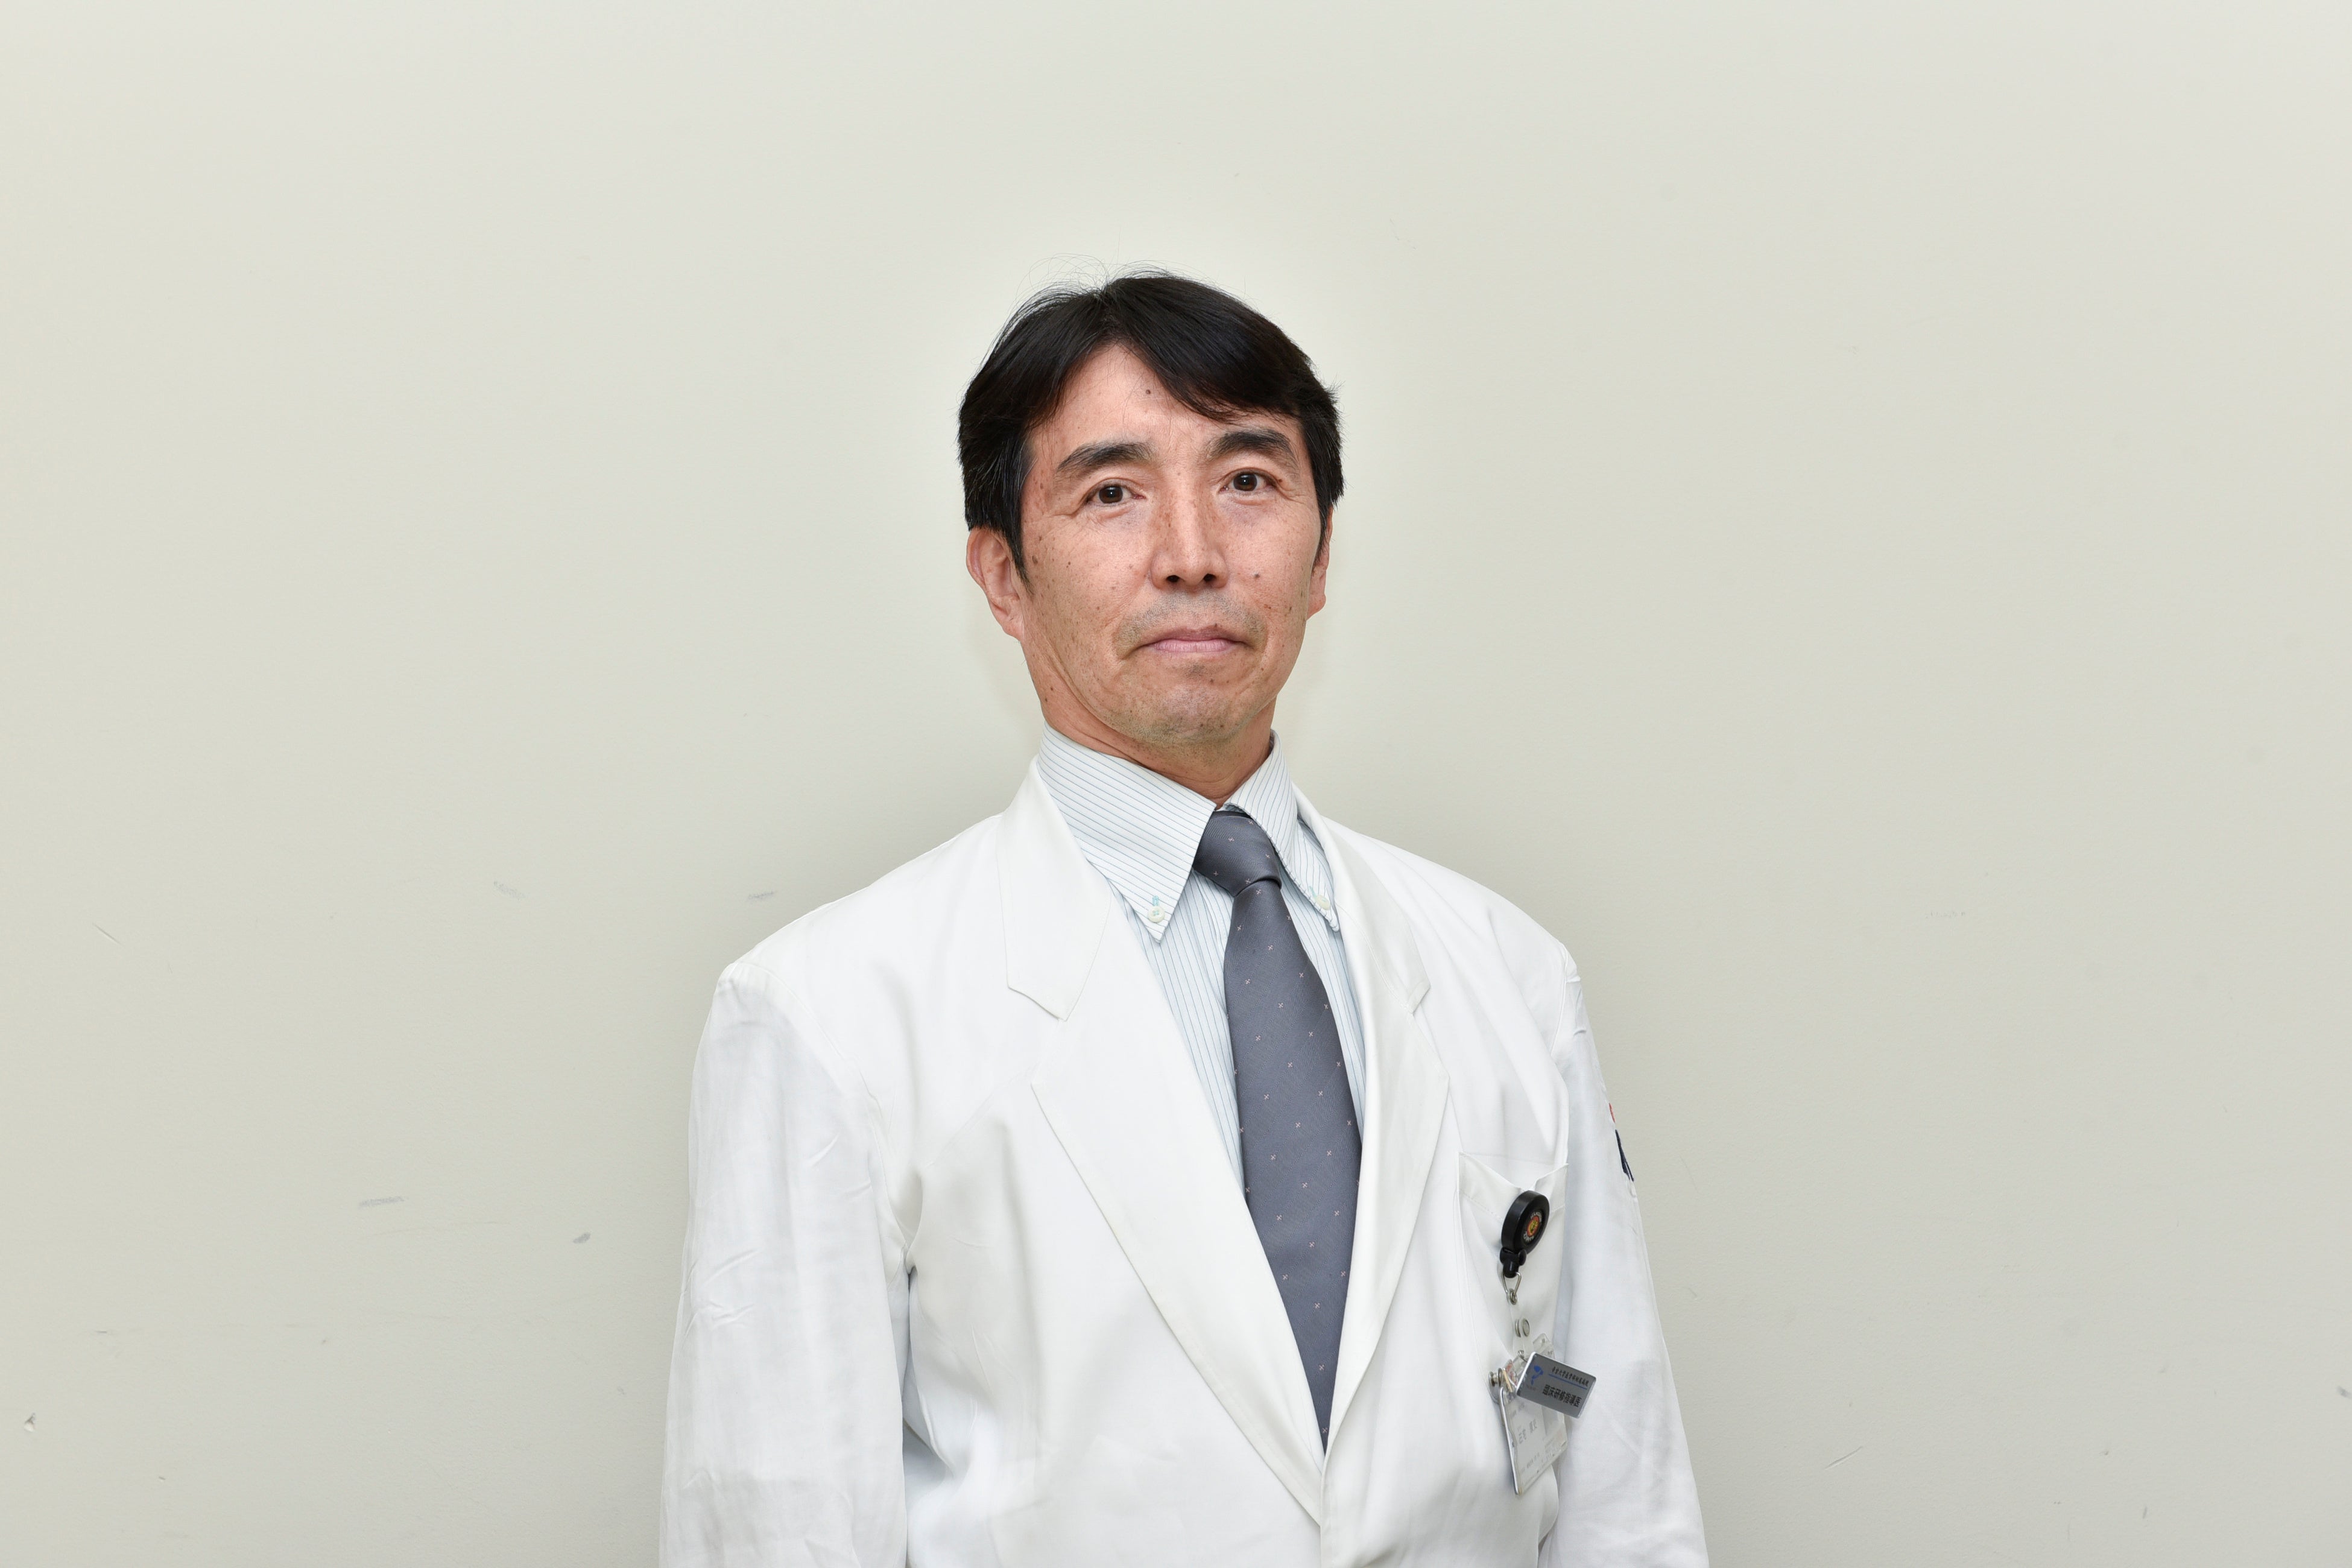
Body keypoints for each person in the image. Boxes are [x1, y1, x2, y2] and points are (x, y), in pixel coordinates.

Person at [660, 273, 1708, 1566]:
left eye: (1249, 480)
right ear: (1002, 575)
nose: (1194, 552)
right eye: (1111, 493)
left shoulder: (1510, 970)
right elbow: (777, 1524)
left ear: (1321, 556)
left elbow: (1624, 1496)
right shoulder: (827, 1012)